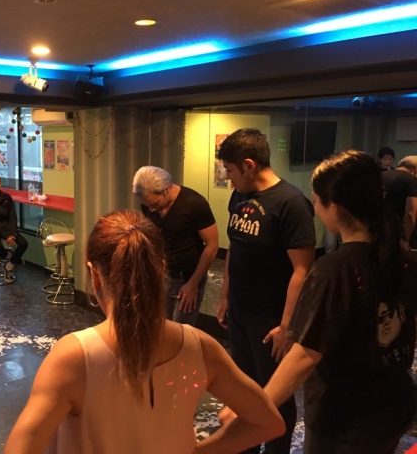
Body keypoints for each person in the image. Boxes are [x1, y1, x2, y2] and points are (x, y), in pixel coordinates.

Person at [4, 210, 285, 454]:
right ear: (160, 269)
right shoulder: (201, 347)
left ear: (94, 275)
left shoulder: (74, 358)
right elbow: (268, 423)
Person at [221, 150, 417, 453]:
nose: (314, 208)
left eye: (316, 201)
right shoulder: (401, 252)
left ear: (334, 207)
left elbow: (304, 355)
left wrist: (254, 409)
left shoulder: (335, 268)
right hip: (394, 402)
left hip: (346, 415)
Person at [216, 128, 316, 454]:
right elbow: (235, 246)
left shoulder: (291, 203)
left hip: (270, 318)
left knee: (275, 395)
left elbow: (302, 270)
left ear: (248, 165)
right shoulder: (240, 196)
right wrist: (225, 295)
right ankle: (245, 446)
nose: (228, 178)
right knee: (244, 390)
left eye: (230, 170)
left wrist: (287, 326)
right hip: (240, 310)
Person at [132, 166, 218, 326]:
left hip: (187, 277)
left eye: (154, 204)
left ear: (166, 190)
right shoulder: (149, 204)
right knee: (161, 328)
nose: (151, 209)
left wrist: (193, 284)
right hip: (163, 275)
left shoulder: (194, 204)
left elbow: (212, 245)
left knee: (182, 332)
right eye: (147, 205)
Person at [381, 155, 417, 245]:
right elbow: (410, 213)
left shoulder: (380, 176)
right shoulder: (412, 180)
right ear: (415, 170)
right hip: (398, 232)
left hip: (379, 230)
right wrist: (406, 239)